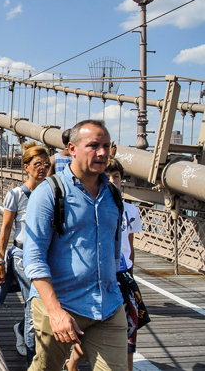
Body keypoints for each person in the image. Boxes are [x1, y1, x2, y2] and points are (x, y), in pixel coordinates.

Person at [23, 119, 127, 371]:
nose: (102, 153)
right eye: (93, 146)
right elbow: (33, 257)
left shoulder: (112, 194)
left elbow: (114, 248)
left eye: (106, 146)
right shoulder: (49, 193)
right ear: (72, 149)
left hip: (108, 306)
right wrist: (55, 311)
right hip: (61, 303)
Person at [66, 157, 146, 371]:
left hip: (123, 277)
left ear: (122, 179)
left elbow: (129, 246)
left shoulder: (131, 210)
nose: (112, 180)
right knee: (91, 330)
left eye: (116, 176)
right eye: (108, 176)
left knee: (128, 337)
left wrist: (131, 274)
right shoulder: (90, 206)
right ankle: (73, 362)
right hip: (98, 278)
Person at [0, 142, 50, 366]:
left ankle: (22, 331)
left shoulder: (52, 191)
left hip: (47, 256)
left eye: (46, 164)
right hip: (22, 256)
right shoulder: (16, 194)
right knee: (32, 306)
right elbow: (6, 228)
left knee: (47, 305)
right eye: (38, 164)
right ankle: (31, 362)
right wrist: (0, 261)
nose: (43, 168)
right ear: (26, 166)